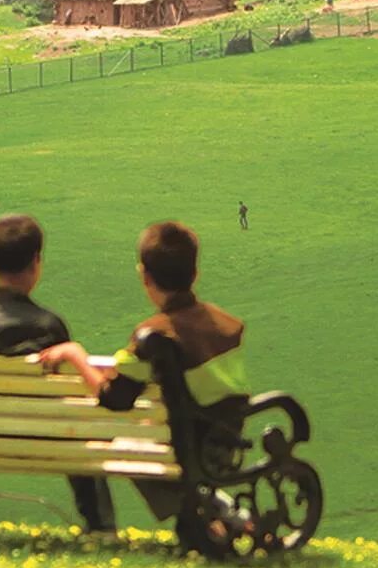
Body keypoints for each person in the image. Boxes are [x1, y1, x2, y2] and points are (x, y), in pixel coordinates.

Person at [39, 222, 251, 531]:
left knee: (125, 446)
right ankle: (215, 513)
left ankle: (209, 514)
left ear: (144, 276)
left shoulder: (152, 338)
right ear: (195, 274)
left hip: (186, 450)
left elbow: (114, 397)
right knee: (154, 429)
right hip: (227, 444)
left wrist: (76, 355)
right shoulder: (228, 326)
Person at [0, 214, 116, 535]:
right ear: (36, 262)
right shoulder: (48, 325)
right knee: (80, 425)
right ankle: (101, 527)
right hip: (44, 436)